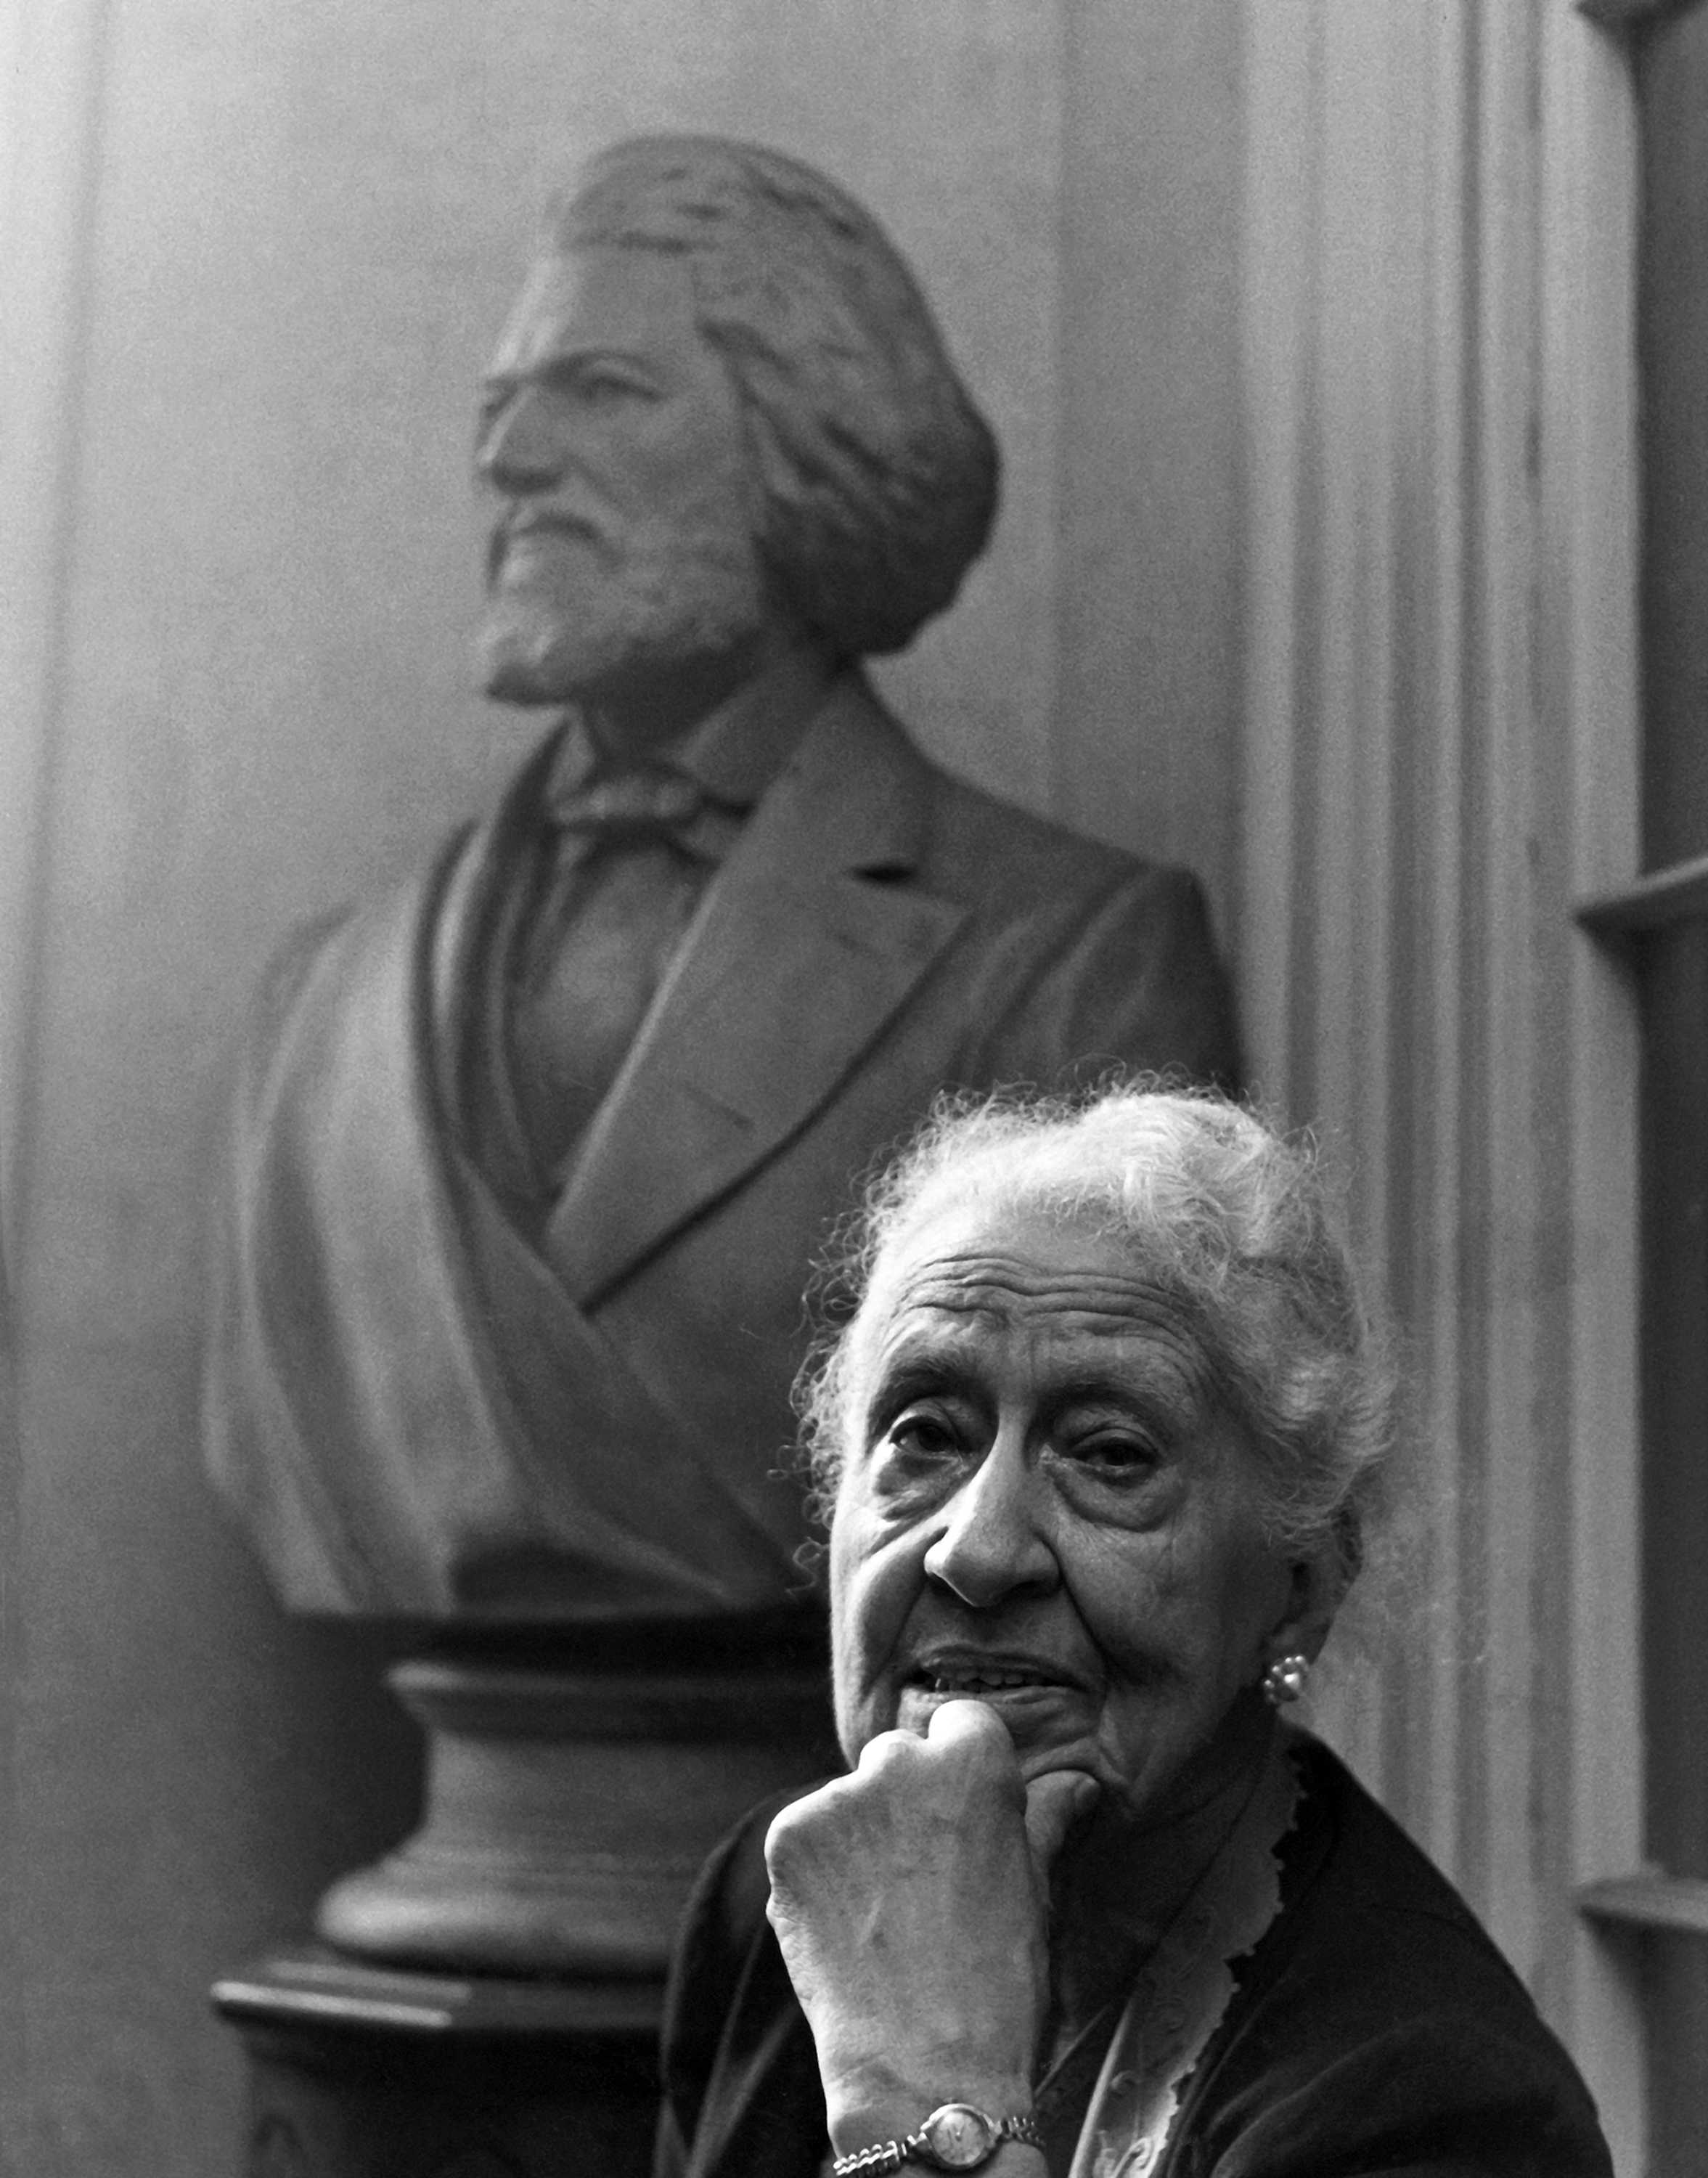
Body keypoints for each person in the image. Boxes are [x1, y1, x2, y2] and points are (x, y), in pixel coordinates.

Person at [205, 139, 1239, 1623]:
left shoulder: (1071, 956)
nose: (509, 459)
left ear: (807, 445)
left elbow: (1103, 1487)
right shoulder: (326, 1011)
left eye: (601, 392)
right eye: (500, 408)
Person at [655, 1087, 1614, 2177]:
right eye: (923, 1433)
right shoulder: (795, 1900)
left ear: (1300, 1587)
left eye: (1108, 1454)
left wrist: (930, 2099)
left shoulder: (1439, 2111)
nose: (973, 1550)